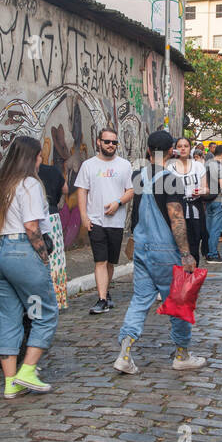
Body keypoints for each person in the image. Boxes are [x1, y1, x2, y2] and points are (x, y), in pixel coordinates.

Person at [114, 130, 207, 374]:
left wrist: (133, 238)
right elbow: (177, 219)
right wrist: (186, 253)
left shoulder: (139, 176)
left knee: (140, 300)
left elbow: (137, 211)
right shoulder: (170, 179)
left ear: (147, 150)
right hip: (165, 249)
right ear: (171, 152)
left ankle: (124, 353)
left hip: (144, 247)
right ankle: (182, 354)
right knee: (179, 301)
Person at [0, 135, 59, 399]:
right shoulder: (29, 184)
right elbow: (31, 226)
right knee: (44, 312)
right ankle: (27, 370)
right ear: (32, 157)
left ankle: (10, 383)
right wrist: (44, 257)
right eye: (39, 156)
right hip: (22, 255)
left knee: (8, 318)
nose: (41, 160)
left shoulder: (3, 184)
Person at [74, 127, 134, 315]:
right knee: (100, 260)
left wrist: (118, 203)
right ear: (98, 142)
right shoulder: (88, 165)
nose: (110, 145)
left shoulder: (124, 165)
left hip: (116, 222)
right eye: (107, 141)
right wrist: (84, 216)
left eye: (114, 142)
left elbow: (130, 190)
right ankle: (101, 299)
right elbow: (82, 190)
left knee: (109, 262)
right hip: (96, 220)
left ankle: (105, 292)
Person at [37, 150, 69, 311]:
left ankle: (41, 300)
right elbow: (65, 189)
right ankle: (58, 298)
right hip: (53, 215)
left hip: (37, 218)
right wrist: (59, 201)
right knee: (56, 258)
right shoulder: (53, 171)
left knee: (40, 259)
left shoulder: (26, 175)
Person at [169, 136, 208, 267]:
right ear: (175, 149)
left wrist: (200, 191)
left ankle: (193, 275)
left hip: (194, 208)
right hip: (177, 209)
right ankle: (180, 274)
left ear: (190, 148)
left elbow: (206, 188)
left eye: (186, 146)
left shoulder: (198, 166)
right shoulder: (170, 168)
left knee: (194, 242)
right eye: (180, 146)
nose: (183, 148)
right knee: (178, 242)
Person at [204, 144, 222, 264]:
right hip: (219, 200)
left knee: (209, 228)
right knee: (216, 229)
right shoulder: (220, 167)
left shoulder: (206, 164)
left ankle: (207, 251)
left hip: (207, 199)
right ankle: (212, 254)